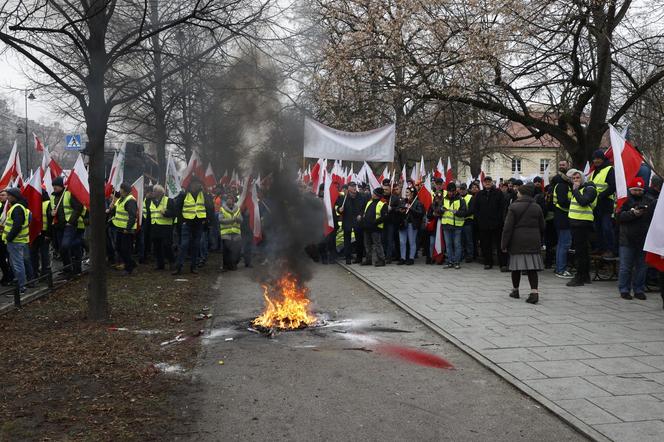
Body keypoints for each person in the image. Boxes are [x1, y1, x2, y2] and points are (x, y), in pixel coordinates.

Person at [501, 183, 545, 304]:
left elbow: (507, 228)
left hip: (517, 241)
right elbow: (542, 226)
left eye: (518, 191)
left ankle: (515, 291)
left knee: (516, 267)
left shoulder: (514, 207)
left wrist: (504, 244)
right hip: (533, 240)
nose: (517, 193)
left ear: (522, 193)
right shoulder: (537, 207)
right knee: (532, 268)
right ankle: (534, 292)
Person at [617, 177, 655, 300]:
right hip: (627, 239)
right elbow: (619, 217)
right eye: (635, 190)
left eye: (640, 190)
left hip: (643, 239)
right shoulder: (624, 200)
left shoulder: (649, 200)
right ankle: (624, 289)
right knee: (625, 267)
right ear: (630, 189)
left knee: (642, 267)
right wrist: (632, 213)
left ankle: (639, 289)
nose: (638, 192)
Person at [566, 169, 598, 287]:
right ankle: (585, 276)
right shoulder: (579, 189)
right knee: (582, 251)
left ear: (583, 178)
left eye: (577, 178)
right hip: (576, 223)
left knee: (581, 252)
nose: (575, 181)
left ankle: (579, 277)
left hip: (582, 223)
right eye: (573, 179)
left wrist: (575, 190)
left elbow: (583, 202)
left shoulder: (589, 188)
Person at [173, 176, 208, 275]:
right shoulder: (183, 194)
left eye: (198, 183)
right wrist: (182, 221)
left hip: (199, 224)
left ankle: (194, 266)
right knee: (184, 245)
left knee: (196, 245)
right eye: (194, 183)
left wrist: (206, 221)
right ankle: (179, 266)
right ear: (190, 184)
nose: (196, 185)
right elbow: (178, 209)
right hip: (187, 223)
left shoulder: (203, 195)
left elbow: (208, 208)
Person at [52, 176, 86, 275]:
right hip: (58, 226)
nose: (54, 187)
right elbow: (53, 209)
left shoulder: (69, 194)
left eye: (56, 185)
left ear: (62, 186)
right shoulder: (53, 196)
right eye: (53, 185)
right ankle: (68, 269)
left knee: (66, 246)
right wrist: (51, 213)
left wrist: (70, 221)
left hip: (70, 226)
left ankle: (76, 269)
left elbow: (78, 208)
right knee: (62, 249)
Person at [3, 187, 34, 294]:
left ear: (13, 196)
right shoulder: (22, 207)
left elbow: (17, 226)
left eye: (8, 195)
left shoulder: (17, 208)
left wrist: (8, 238)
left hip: (15, 241)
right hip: (20, 240)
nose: (7, 197)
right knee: (18, 263)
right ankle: (22, 285)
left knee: (17, 264)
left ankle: (21, 287)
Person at [589, 149, 616, 257]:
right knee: (598, 228)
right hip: (596, 204)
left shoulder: (609, 169)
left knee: (606, 227)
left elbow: (612, 186)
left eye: (598, 158)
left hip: (606, 203)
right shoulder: (594, 172)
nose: (596, 161)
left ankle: (611, 249)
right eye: (594, 159)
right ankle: (600, 248)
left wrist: (601, 195)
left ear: (602, 158)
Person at [474, 176, 505, 270]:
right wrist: (479, 220)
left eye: (489, 181)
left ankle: (503, 264)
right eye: (486, 181)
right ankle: (488, 262)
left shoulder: (498, 193)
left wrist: (499, 220)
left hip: (496, 224)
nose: (487, 183)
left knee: (500, 245)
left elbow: (502, 208)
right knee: (486, 245)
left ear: (492, 183)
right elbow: (476, 209)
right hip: (484, 225)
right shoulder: (479, 194)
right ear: (483, 183)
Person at [551, 160, 574, 278]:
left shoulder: (563, 186)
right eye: (572, 177)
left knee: (561, 244)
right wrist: (575, 203)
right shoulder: (562, 186)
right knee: (564, 245)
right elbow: (563, 202)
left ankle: (559, 268)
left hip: (561, 218)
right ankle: (561, 269)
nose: (574, 179)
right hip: (563, 218)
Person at [109, 183, 138, 275]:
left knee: (125, 249)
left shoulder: (130, 200)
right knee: (118, 248)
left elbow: (132, 216)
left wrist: (128, 228)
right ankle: (132, 263)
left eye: (120, 188)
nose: (119, 190)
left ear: (124, 190)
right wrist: (111, 209)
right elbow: (116, 211)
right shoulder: (120, 200)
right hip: (119, 228)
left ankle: (129, 269)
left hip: (127, 230)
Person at [336, 181, 366, 264]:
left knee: (359, 240)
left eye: (354, 186)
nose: (354, 188)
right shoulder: (344, 198)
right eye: (352, 186)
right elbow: (339, 208)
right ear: (348, 188)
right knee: (347, 241)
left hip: (358, 221)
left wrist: (361, 214)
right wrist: (339, 210)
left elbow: (364, 208)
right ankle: (348, 258)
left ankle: (359, 258)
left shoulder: (361, 197)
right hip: (347, 221)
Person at [147, 184, 175, 270]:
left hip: (166, 227)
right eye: (153, 191)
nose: (153, 192)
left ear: (160, 192)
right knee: (156, 246)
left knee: (167, 245)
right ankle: (160, 264)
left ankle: (172, 262)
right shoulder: (151, 201)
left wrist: (166, 213)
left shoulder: (168, 200)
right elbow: (150, 215)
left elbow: (174, 213)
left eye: (155, 191)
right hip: (155, 227)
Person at [441, 182, 467, 269]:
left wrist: (457, 212)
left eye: (452, 191)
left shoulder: (460, 200)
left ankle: (457, 262)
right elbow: (438, 208)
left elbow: (464, 212)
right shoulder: (443, 199)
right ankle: (450, 261)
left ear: (456, 191)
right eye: (449, 191)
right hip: (446, 225)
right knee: (448, 244)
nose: (451, 193)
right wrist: (441, 210)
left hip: (457, 226)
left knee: (457, 244)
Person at [397, 187, 423, 265]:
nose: (406, 194)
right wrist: (400, 210)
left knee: (412, 241)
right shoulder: (403, 201)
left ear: (412, 194)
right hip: (403, 223)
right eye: (406, 192)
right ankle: (403, 258)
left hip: (412, 224)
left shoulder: (417, 202)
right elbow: (398, 209)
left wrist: (411, 209)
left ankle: (411, 258)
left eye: (407, 192)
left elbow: (420, 213)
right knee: (402, 242)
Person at [361, 187, 387, 267]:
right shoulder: (369, 202)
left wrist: (374, 222)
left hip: (376, 228)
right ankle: (368, 259)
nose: (372, 194)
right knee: (367, 244)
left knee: (377, 244)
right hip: (367, 227)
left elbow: (384, 217)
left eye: (374, 193)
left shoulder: (382, 204)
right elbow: (365, 212)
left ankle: (381, 260)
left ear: (377, 195)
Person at [30, 189, 52, 277]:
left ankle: (45, 273)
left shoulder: (47, 204)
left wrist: (48, 234)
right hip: (34, 233)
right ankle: (35, 273)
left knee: (44, 254)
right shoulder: (32, 204)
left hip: (44, 233)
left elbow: (50, 221)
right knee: (33, 254)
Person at [219, 194, 242, 271]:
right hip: (226, 233)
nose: (229, 200)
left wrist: (237, 219)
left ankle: (233, 264)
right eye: (228, 199)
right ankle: (225, 266)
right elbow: (221, 220)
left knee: (236, 250)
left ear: (233, 200)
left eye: (230, 198)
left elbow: (241, 220)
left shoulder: (237, 209)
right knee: (226, 250)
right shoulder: (222, 209)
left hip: (236, 233)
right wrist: (232, 220)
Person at [0, 190, 14, 285]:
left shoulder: (11, 206)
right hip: (1, 237)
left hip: (9, 237)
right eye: (0, 195)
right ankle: (6, 275)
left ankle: (11, 277)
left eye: (3, 195)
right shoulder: (1, 206)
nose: (1, 196)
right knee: (1, 258)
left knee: (10, 259)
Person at [459, 183, 475, 263]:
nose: (462, 191)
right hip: (459, 222)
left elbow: (471, 210)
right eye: (460, 189)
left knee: (468, 240)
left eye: (463, 189)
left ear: (466, 189)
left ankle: (469, 255)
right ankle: (461, 255)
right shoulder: (458, 198)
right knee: (460, 240)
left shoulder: (470, 197)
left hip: (468, 221)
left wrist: (462, 214)